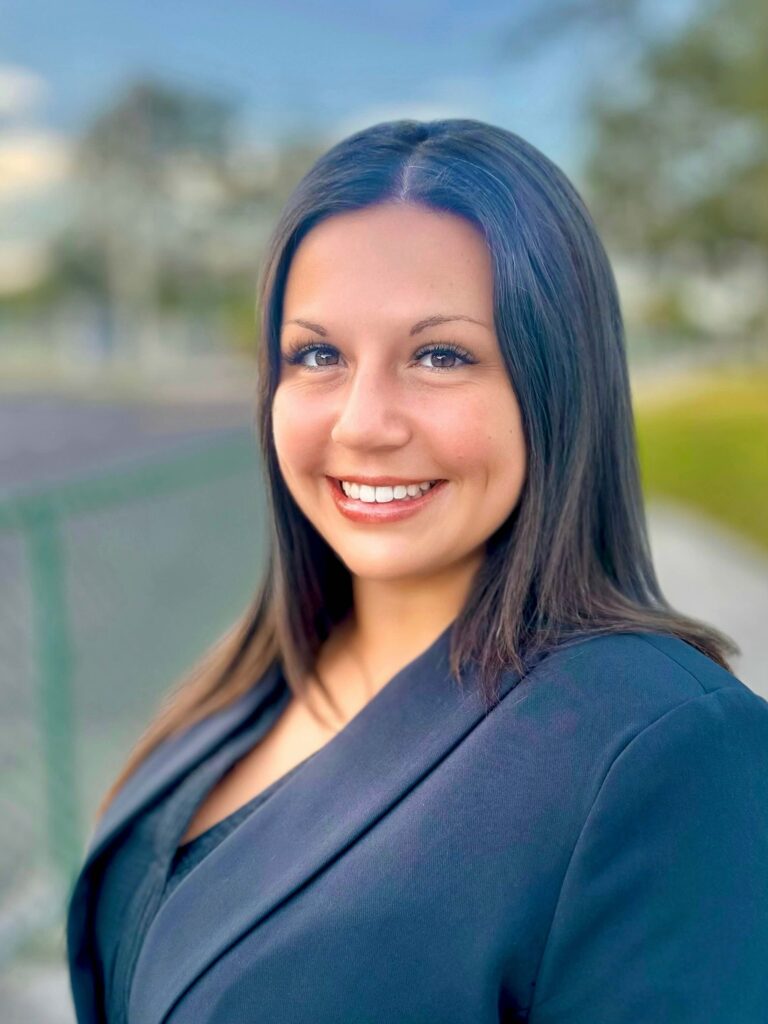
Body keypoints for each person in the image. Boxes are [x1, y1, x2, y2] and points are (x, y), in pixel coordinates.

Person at [65, 118, 768, 1024]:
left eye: (440, 355)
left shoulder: (670, 751)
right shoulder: (249, 681)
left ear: (558, 384)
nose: (363, 423)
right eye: (318, 355)